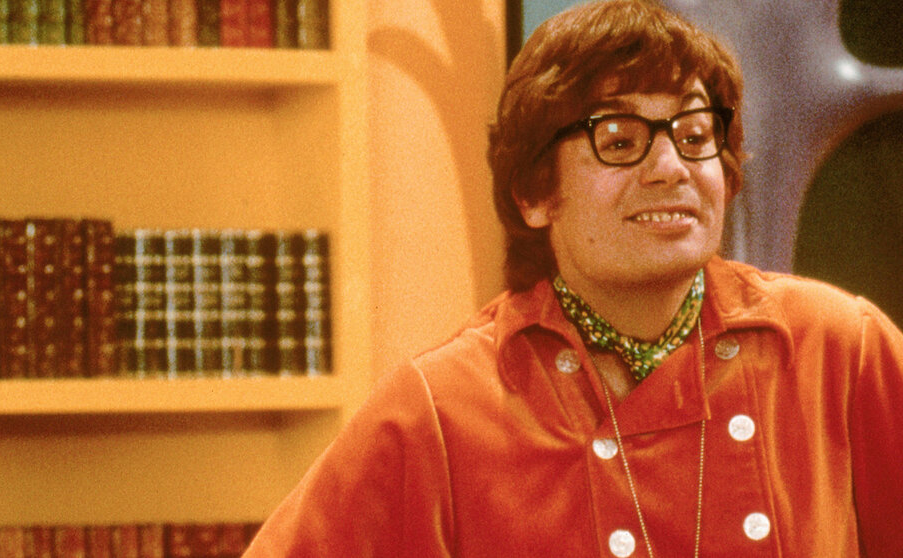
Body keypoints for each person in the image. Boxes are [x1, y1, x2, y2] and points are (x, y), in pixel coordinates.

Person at [243, 0, 903, 556]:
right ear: (534, 193)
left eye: (695, 135)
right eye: (619, 141)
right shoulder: (439, 410)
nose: (671, 167)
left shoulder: (840, 347)